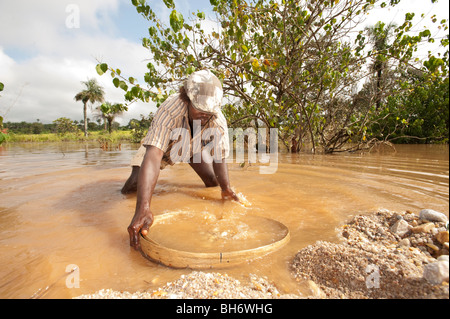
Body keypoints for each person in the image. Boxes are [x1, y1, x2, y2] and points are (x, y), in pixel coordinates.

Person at [125, 70, 240, 250]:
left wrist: (226, 189)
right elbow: (154, 155)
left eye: (207, 111)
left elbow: (220, 157)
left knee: (213, 183)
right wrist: (143, 208)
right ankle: (138, 201)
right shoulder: (170, 108)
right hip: (160, 145)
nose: (203, 114)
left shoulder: (217, 119)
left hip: (190, 146)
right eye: (198, 108)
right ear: (186, 99)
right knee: (131, 187)